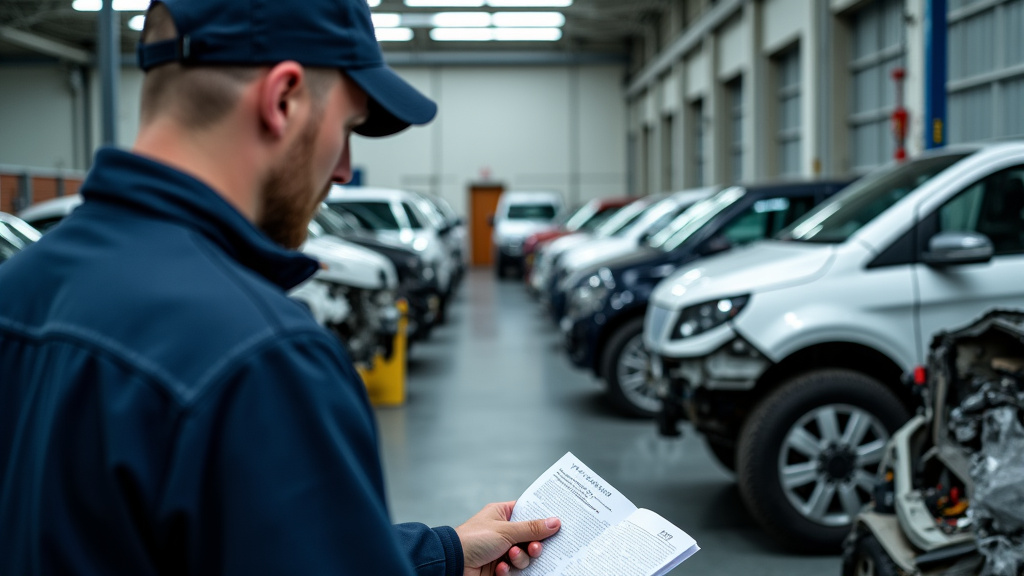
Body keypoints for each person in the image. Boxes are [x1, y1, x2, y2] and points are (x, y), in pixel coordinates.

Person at [0, 0, 561, 574]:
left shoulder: (17, 290)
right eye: (345, 129)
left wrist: (441, 555)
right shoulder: (261, 359)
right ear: (283, 99)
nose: (344, 168)